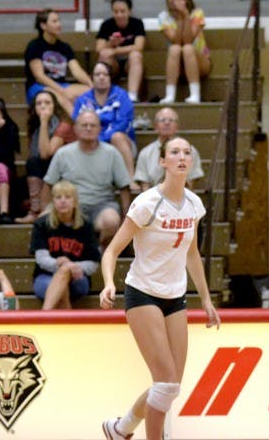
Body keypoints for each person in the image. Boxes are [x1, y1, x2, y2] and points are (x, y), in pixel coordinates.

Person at [99, 136, 219, 440]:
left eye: (187, 153)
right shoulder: (147, 203)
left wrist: (205, 299)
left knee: (170, 387)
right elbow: (111, 251)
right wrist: (108, 283)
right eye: (174, 152)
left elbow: (192, 255)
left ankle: (121, 428)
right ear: (163, 162)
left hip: (175, 297)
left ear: (191, 162)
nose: (182, 157)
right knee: (165, 384)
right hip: (143, 294)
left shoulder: (194, 205)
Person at [43, 110, 131, 248]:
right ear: (75, 129)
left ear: (99, 129)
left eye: (92, 125)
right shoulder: (63, 153)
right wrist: (45, 208)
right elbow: (48, 184)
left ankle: (98, 251)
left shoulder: (112, 153)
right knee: (44, 218)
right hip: (70, 205)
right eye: (84, 125)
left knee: (112, 221)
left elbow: (124, 187)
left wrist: (127, 217)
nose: (88, 128)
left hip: (102, 205)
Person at [30, 180, 101, 309]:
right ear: (53, 202)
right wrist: (62, 265)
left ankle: (43, 317)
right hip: (45, 277)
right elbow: (41, 259)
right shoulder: (41, 224)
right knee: (61, 280)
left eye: (67, 197)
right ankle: (65, 315)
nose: (63, 201)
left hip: (78, 279)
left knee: (64, 271)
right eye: (58, 197)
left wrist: (70, 266)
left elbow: (93, 263)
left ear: (75, 202)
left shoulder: (86, 225)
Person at [73, 61, 137, 180]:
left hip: (120, 142)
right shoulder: (82, 100)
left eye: (105, 74)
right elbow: (77, 123)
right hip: (91, 140)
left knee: (117, 136)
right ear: (92, 78)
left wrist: (100, 139)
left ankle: (130, 179)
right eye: (97, 74)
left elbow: (124, 124)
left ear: (110, 77)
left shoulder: (122, 96)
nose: (101, 77)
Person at [20, 89, 75, 224]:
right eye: (39, 103)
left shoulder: (63, 126)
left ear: (54, 107)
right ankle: (35, 208)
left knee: (33, 163)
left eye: (47, 103)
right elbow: (35, 153)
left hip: (65, 170)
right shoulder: (35, 127)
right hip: (47, 169)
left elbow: (45, 153)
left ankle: (36, 210)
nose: (43, 106)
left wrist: (44, 122)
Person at [24, 8, 92, 116]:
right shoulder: (34, 46)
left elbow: (77, 71)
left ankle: (94, 123)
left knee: (89, 93)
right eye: (54, 21)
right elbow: (39, 76)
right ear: (43, 26)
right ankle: (81, 125)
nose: (59, 24)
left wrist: (91, 84)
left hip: (60, 84)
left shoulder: (64, 47)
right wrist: (62, 91)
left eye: (59, 21)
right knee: (63, 99)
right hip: (38, 87)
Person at [158, 0, 212, 105]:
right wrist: (179, 19)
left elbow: (188, 40)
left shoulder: (197, 13)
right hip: (177, 64)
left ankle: (195, 95)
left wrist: (185, 15)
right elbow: (176, 41)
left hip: (199, 62)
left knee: (187, 48)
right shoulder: (163, 17)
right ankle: (170, 95)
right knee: (174, 49)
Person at [134, 107, 205, 191]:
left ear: (177, 126)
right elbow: (144, 185)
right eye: (163, 120)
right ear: (156, 127)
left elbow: (191, 183)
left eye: (171, 120)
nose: (167, 123)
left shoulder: (189, 151)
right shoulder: (145, 153)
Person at [95, 0, 146, 104]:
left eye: (122, 11)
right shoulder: (107, 25)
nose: (119, 15)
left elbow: (139, 46)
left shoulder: (137, 23)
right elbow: (99, 48)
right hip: (114, 64)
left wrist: (115, 50)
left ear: (129, 11)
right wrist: (110, 43)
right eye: (116, 11)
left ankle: (132, 96)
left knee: (136, 55)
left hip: (130, 62)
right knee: (103, 55)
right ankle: (103, 95)